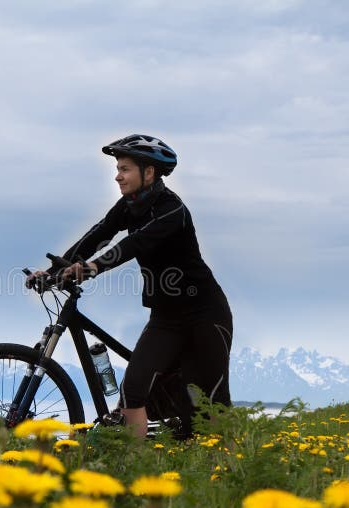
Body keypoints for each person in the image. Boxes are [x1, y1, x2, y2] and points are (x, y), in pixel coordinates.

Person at [28, 134, 233, 438]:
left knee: (208, 405)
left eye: (125, 169)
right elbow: (100, 233)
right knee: (133, 390)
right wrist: (55, 270)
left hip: (205, 314)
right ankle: (136, 469)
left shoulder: (171, 210)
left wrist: (94, 267)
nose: (117, 176)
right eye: (118, 168)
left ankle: (229, 470)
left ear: (148, 172)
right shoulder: (128, 206)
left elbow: (135, 243)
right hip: (166, 318)